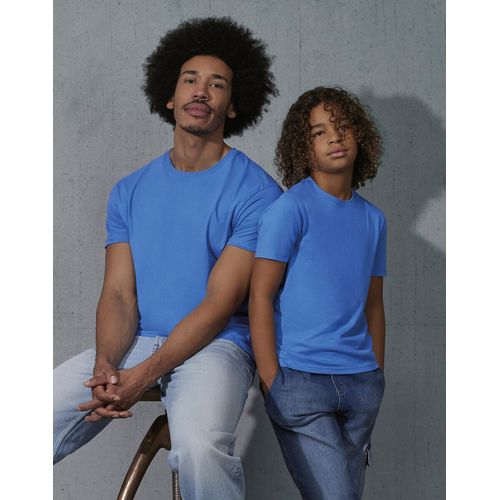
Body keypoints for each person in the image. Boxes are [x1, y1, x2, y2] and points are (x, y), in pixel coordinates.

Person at [54, 17, 281, 500]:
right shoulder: (129, 190)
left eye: (217, 84)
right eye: (190, 80)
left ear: (233, 105)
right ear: (170, 97)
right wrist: (106, 365)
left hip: (218, 344)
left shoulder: (259, 193)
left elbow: (219, 304)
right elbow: (119, 293)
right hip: (139, 339)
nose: (201, 91)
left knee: (200, 449)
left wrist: (143, 376)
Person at [249, 86, 386, 499]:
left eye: (342, 126)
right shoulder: (290, 210)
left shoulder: (373, 219)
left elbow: (373, 304)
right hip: (301, 382)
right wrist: (272, 381)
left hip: (362, 385)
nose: (335, 137)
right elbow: (260, 296)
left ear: (360, 134)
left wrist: (377, 374)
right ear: (303, 148)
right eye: (319, 132)